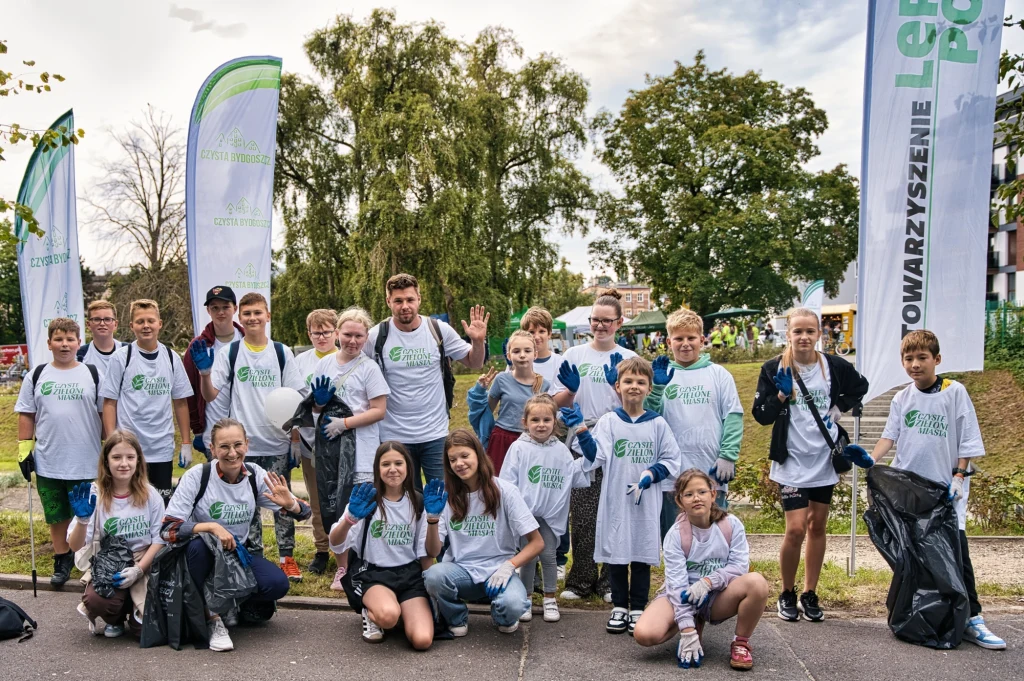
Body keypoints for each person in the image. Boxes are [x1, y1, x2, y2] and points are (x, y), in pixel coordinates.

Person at [868, 330, 1005, 650]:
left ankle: (973, 618)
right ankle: (924, 613)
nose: (915, 365)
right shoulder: (902, 398)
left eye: (922, 358)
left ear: (937, 360)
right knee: (916, 555)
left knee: (956, 553)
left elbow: (968, 440)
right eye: (908, 359)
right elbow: (889, 437)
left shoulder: (954, 392)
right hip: (911, 493)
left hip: (945, 493)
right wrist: (871, 458)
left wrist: (959, 476)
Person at [752, 307, 868, 623]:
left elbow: (861, 386)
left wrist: (839, 408)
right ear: (787, 334)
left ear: (819, 334)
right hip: (790, 461)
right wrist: (779, 396)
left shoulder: (833, 366)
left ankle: (809, 592)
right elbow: (761, 415)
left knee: (818, 526)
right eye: (797, 331)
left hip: (824, 460)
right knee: (795, 528)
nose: (804, 337)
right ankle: (787, 592)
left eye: (810, 331)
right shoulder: (773, 367)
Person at [161, 418, 311, 652]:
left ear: (247, 445)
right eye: (224, 447)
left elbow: (304, 512)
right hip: (202, 558)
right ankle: (213, 619)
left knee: (277, 584)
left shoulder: (254, 475)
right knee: (200, 547)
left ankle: (229, 602)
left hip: (236, 556)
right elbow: (168, 528)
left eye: (238, 445)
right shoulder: (197, 477)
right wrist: (211, 527)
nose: (232, 453)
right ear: (212, 449)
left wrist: (290, 504)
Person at [191, 292, 307, 581]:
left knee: (282, 503)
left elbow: (295, 398)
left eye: (258, 312)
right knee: (246, 508)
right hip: (241, 448)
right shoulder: (229, 352)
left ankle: (287, 557)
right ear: (239, 318)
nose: (253, 318)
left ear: (267, 316)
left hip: (276, 444)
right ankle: (253, 558)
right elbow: (211, 395)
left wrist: (294, 439)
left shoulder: (281, 352)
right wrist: (204, 373)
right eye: (247, 314)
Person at [572, 356, 681, 635]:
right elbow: (597, 457)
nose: (634, 386)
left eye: (641, 382)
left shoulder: (657, 424)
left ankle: (638, 608)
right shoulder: (609, 421)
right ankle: (619, 606)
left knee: (642, 553)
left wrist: (653, 472)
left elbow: (672, 459)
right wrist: (583, 432)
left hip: (645, 502)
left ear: (649, 387)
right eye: (629, 381)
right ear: (617, 386)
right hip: (616, 500)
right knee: (618, 553)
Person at [633, 469, 769, 671]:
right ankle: (692, 622)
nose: (696, 498)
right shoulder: (675, 535)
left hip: (717, 595)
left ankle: (740, 643)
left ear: (713, 494)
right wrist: (687, 631)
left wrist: (708, 582)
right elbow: (677, 584)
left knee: (757, 583)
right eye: (688, 494)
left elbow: (740, 567)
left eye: (702, 492)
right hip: (683, 594)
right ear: (680, 501)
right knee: (644, 634)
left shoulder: (731, 525)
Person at [365, 273, 488, 491]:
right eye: (398, 301)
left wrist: (477, 342)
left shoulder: (438, 330)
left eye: (410, 300)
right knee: (404, 502)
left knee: (441, 498)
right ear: (388, 302)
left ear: (419, 299)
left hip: (435, 433)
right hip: (393, 435)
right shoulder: (376, 337)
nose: (405, 306)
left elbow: (474, 362)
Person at [552, 290, 637, 602]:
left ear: (619, 323)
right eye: (595, 320)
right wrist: (571, 393)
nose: (600, 326)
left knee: (615, 512)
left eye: (606, 321)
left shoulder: (630, 359)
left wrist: (619, 386)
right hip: (581, 437)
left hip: (618, 441)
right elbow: (555, 400)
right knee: (584, 514)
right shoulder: (573, 355)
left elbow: (636, 403)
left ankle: (610, 582)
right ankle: (580, 580)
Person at [423, 428, 544, 635]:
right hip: (462, 572)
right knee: (433, 575)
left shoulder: (505, 491)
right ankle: (457, 617)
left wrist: (509, 566)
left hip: (500, 573)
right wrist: (432, 520)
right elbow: (433, 552)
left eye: (464, 456)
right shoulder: (447, 497)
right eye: (452, 460)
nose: (459, 463)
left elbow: (537, 542)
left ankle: (501, 615)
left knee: (513, 606)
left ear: (478, 455)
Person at [16, 317, 105, 586]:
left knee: (88, 512)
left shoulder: (92, 373)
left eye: (69, 339)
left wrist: (111, 446)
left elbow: (105, 412)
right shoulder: (37, 374)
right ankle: (62, 557)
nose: (64, 344)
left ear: (79, 342)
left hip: (86, 458)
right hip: (49, 458)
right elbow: (26, 413)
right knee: (56, 512)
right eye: (58, 339)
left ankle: (90, 559)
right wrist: (24, 448)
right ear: (49, 343)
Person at [327, 442, 439, 647]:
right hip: (373, 573)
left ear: (408, 466)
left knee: (422, 641)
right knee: (388, 617)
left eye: (398, 463)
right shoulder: (366, 499)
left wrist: (433, 519)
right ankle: (372, 613)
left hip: (409, 575)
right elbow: (335, 542)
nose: (393, 469)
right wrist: (349, 519)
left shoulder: (418, 501)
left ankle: (401, 610)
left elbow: (430, 552)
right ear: (377, 469)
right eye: (385, 464)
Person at [646, 309, 742, 539]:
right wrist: (657, 388)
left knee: (713, 536)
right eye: (679, 338)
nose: (685, 344)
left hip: (710, 470)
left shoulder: (719, 375)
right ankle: (678, 577)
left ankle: (713, 576)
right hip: (671, 473)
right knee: (676, 538)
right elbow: (648, 416)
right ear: (669, 341)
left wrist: (728, 455)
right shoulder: (660, 375)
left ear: (702, 339)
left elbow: (733, 416)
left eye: (691, 338)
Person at [312, 307, 390, 590]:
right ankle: (342, 568)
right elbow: (317, 406)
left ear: (365, 337)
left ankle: (364, 563)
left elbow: (379, 410)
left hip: (362, 450)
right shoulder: (325, 365)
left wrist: (345, 423)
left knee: (360, 509)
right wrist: (318, 403)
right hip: (332, 452)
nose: (353, 341)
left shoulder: (369, 368)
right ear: (337, 334)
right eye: (347, 334)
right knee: (337, 510)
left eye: (359, 335)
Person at [498, 394, 589, 623]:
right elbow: (508, 483)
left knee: (548, 556)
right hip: (525, 515)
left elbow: (571, 475)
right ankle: (526, 598)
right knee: (527, 558)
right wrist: (515, 512)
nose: (541, 425)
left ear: (554, 422)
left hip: (549, 517)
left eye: (546, 420)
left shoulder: (560, 450)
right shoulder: (518, 448)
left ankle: (549, 598)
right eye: (535, 420)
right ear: (525, 422)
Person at [67, 430, 165, 638]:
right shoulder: (95, 495)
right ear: (106, 461)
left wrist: (138, 570)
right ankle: (115, 618)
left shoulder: (151, 494)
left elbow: (159, 539)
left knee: (145, 635)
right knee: (96, 600)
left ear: (138, 461)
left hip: (143, 560)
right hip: (109, 562)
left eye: (130, 457)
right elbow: (75, 546)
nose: (124, 464)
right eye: (116, 457)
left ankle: (135, 612)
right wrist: (83, 521)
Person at [99, 299, 193, 503]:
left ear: (160, 323)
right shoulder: (121, 358)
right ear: (132, 326)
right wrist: (111, 441)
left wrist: (186, 442)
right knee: (129, 503)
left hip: (161, 447)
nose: (146, 326)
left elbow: (180, 402)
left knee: (160, 505)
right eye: (140, 321)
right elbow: (109, 403)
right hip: (129, 448)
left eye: (150, 320)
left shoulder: (171, 357)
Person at [292, 309, 341, 577]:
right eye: (315, 332)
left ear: (336, 331)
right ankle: (322, 549)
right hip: (312, 442)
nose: (321, 337)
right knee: (318, 498)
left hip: (344, 441)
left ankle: (349, 549)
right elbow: (294, 403)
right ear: (308, 334)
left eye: (326, 331)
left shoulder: (347, 357)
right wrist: (296, 441)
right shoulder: (301, 362)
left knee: (343, 495)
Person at [473, 331, 549, 474]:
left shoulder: (544, 385)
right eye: (516, 351)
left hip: (530, 440)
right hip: (502, 439)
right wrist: (480, 390)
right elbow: (486, 411)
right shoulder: (502, 379)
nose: (522, 355)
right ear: (509, 355)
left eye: (527, 351)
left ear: (535, 354)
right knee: (498, 484)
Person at [183, 286, 244, 458]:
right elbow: (190, 391)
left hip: (248, 431)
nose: (221, 312)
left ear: (235, 308)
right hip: (214, 432)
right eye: (215, 308)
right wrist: (197, 429)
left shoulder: (248, 342)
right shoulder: (198, 346)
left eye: (226, 307)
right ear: (208, 311)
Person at [77, 301, 127, 374]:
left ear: (115, 324)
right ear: (88, 324)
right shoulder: (79, 355)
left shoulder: (128, 351)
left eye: (107, 319)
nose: (102, 324)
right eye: (97, 319)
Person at [520, 306, 560, 386]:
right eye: (531, 332)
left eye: (542, 331)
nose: (537, 337)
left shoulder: (559, 363)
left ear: (549, 334)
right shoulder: (517, 361)